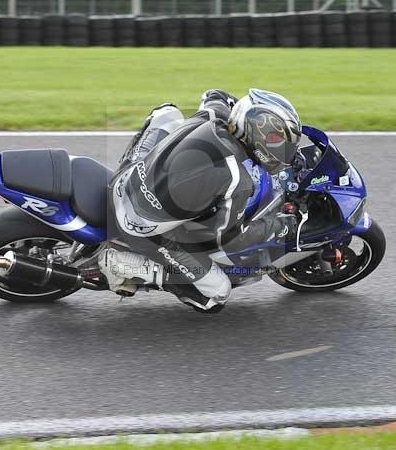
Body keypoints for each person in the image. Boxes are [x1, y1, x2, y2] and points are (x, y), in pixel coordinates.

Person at [98, 89, 302, 313]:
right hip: (139, 224)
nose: (281, 146)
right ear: (256, 134)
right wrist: (282, 226)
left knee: (168, 112)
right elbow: (229, 238)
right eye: (276, 139)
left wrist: (229, 101)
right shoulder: (237, 180)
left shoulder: (213, 116)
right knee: (217, 293)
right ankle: (123, 263)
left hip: (127, 176)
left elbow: (213, 95)